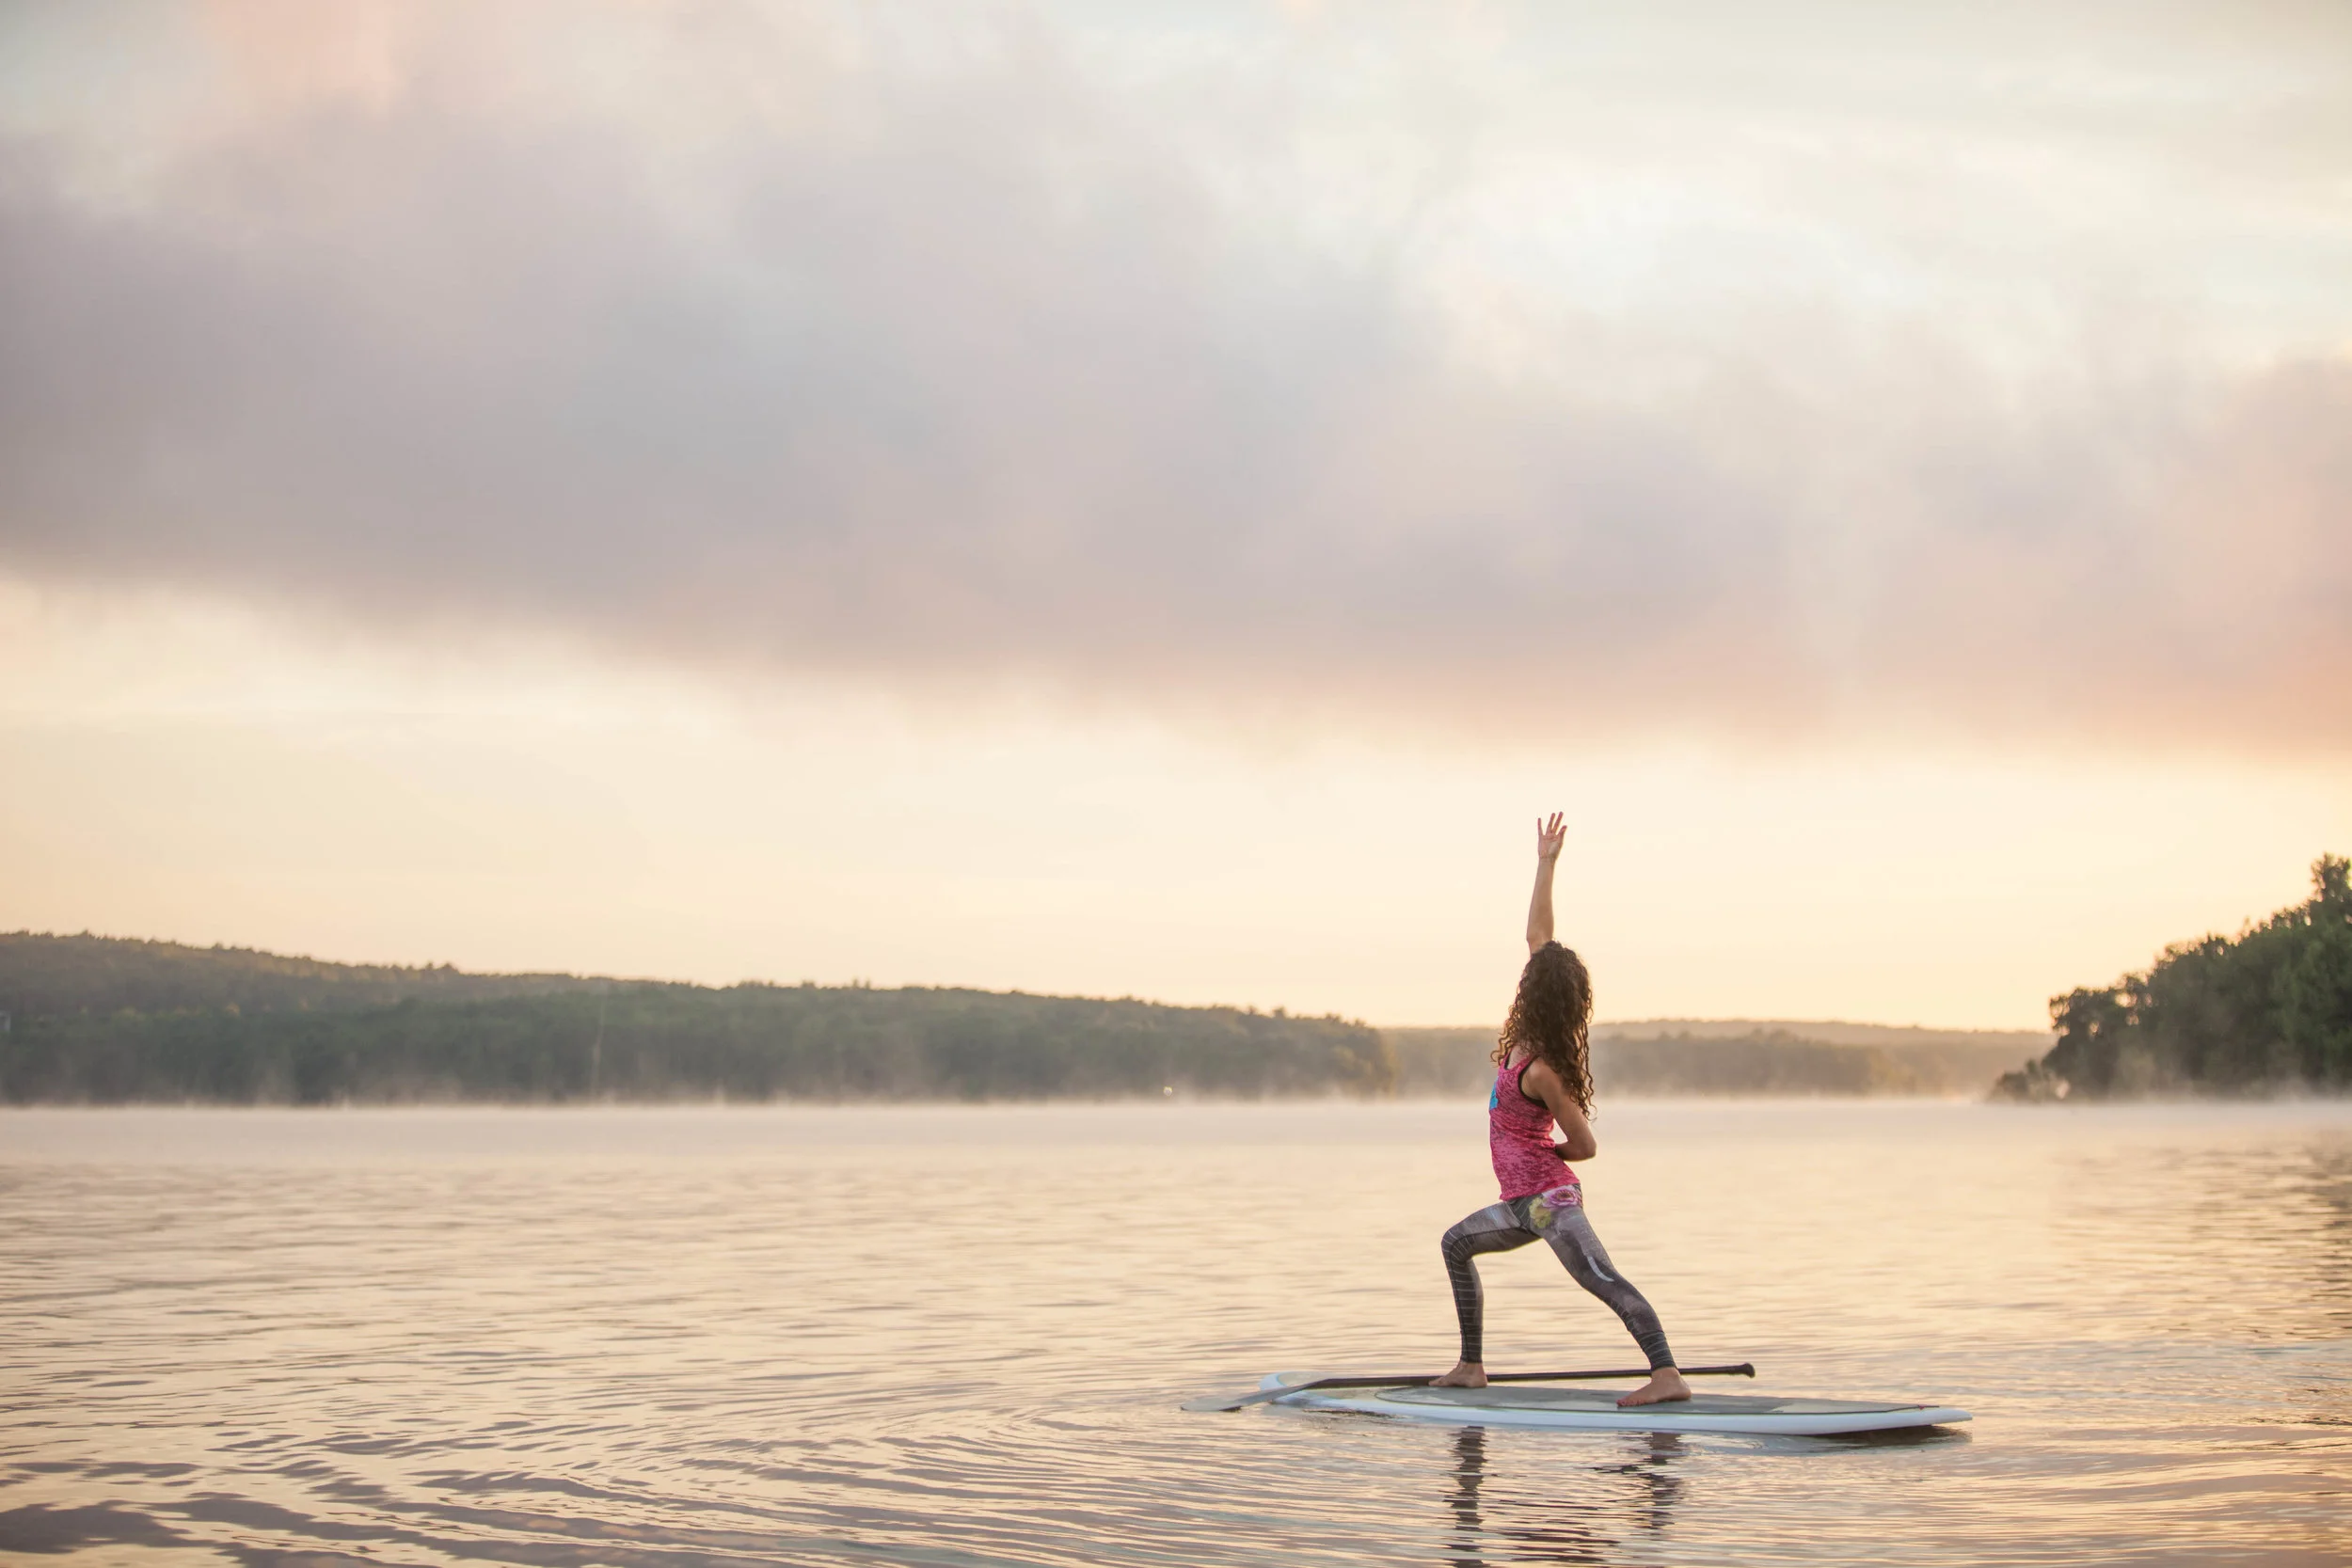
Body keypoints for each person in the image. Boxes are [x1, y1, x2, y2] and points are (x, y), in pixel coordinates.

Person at [1431, 813, 1691, 1407]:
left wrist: (1545, 1154)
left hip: (1549, 1203)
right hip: (1519, 1205)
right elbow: (1537, 934)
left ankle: (1667, 1375)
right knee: (1455, 1244)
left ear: (1535, 995)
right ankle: (1471, 1366)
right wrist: (1546, 864)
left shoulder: (1542, 1068)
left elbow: (1586, 1145)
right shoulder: (1524, 1044)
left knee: (1603, 1279)